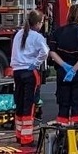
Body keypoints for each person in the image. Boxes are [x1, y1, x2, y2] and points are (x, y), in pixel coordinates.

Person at [48, 5, 78, 126]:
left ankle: (62, 130)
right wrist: (73, 69)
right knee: (77, 103)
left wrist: (64, 65)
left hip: (63, 71)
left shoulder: (58, 32)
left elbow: (52, 52)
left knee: (63, 102)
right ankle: (75, 129)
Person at [10, 10, 49, 146]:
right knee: (29, 104)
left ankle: (19, 134)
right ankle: (27, 138)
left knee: (20, 103)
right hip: (29, 72)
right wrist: (35, 64)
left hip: (17, 72)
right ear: (38, 23)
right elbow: (45, 52)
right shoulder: (37, 37)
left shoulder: (18, 34)